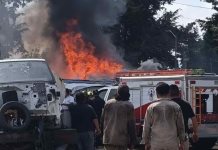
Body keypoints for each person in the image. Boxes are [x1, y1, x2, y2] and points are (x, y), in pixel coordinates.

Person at [142, 82, 185, 150]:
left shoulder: (151, 107)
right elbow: (181, 127)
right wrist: (182, 142)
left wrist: (146, 142)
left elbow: (146, 127)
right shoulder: (176, 106)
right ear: (169, 92)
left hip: (156, 144)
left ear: (156, 93)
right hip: (172, 144)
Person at [102, 84, 137, 150]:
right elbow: (131, 125)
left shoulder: (108, 103)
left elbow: (102, 120)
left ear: (117, 92)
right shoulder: (128, 105)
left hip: (108, 140)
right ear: (128, 93)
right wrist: (133, 141)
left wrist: (102, 136)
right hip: (121, 140)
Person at [169, 84, 199, 150]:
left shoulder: (166, 105)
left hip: (168, 138)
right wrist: (195, 133)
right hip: (183, 137)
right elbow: (194, 120)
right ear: (179, 93)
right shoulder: (186, 104)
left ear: (168, 93)